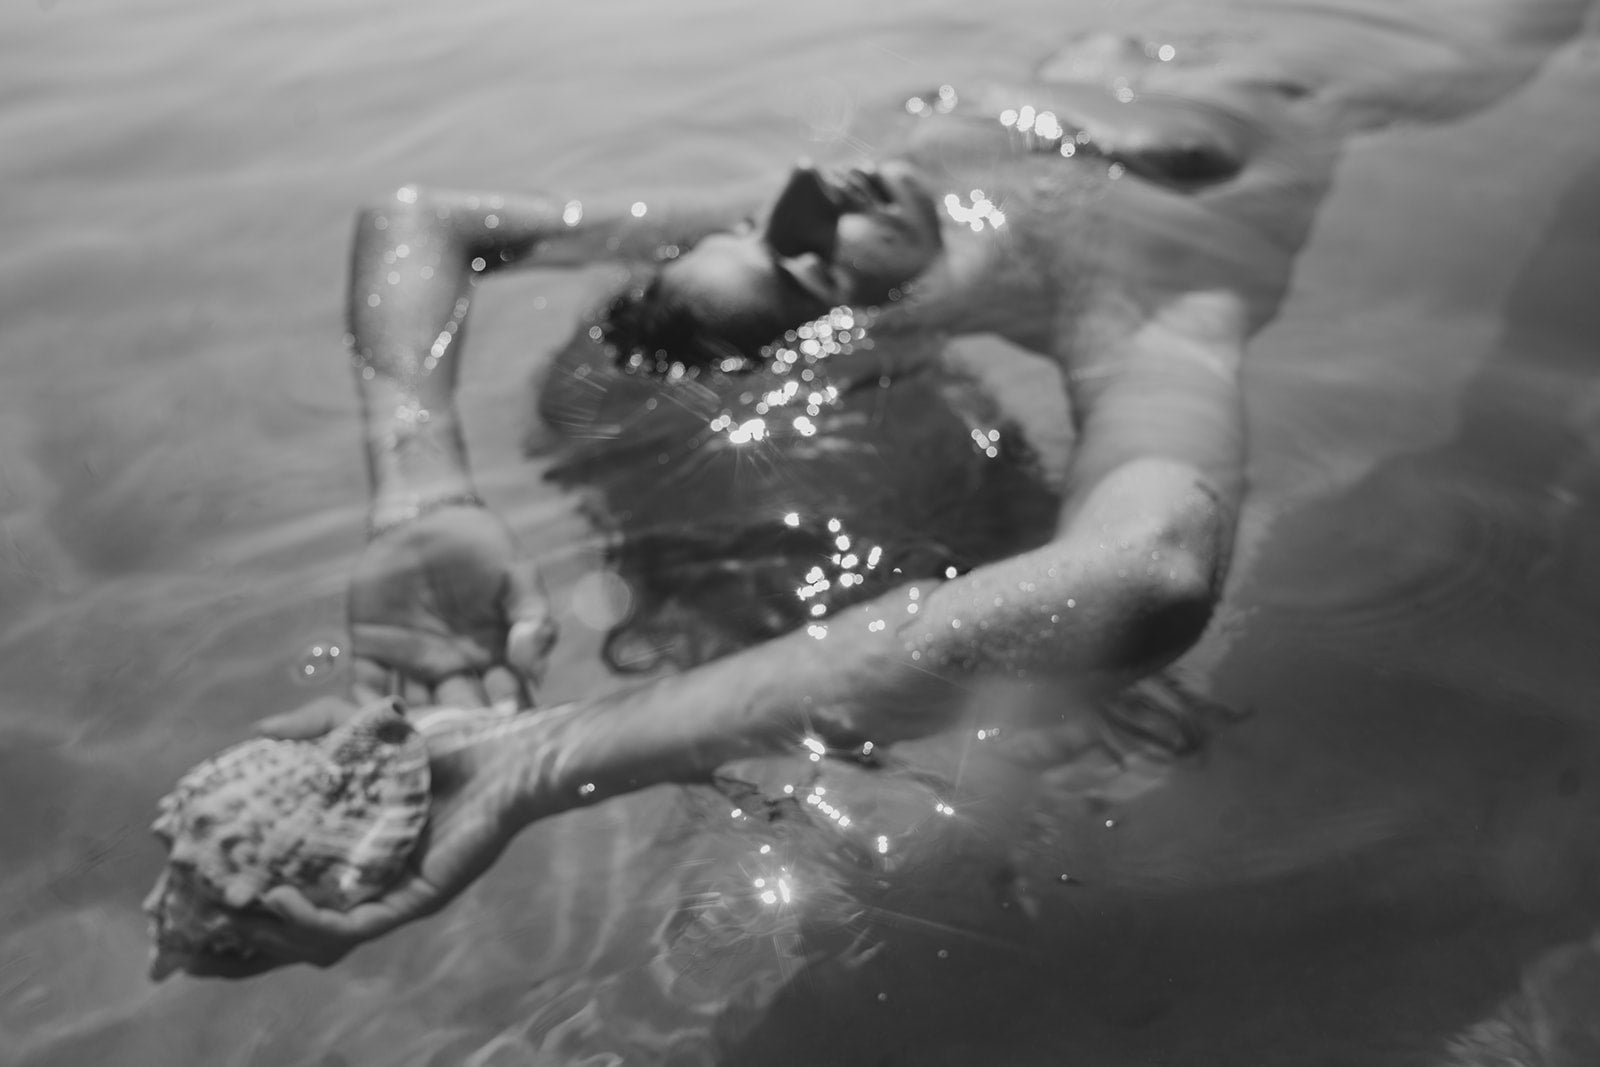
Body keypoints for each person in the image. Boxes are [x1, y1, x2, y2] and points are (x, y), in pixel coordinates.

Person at [201, 2, 1594, 977]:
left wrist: (420, 490)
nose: (818, 195)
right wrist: (553, 760)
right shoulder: (1154, 296)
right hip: (1415, 43)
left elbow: (423, 216)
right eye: (805, 245)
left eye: (785, 213)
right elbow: (1151, 569)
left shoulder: (820, 220)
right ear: (854, 329)